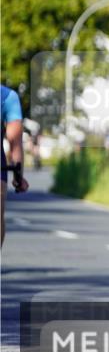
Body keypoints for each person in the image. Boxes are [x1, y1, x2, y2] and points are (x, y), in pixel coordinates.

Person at [2, 84, 30, 246]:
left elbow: (15, 141)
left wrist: (18, 175)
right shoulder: (7, 95)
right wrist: (18, 178)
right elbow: (15, 143)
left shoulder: (6, 97)